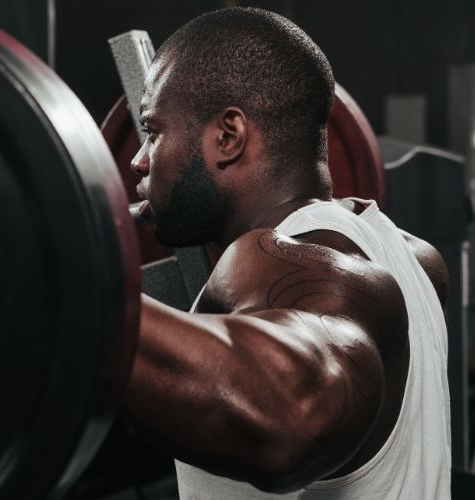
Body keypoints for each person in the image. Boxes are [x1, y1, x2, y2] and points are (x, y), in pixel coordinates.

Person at [125, 7, 451, 499]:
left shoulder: (269, 257)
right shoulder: (416, 259)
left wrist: (64, 265)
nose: (139, 159)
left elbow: (295, 415)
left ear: (229, 136)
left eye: (153, 131)